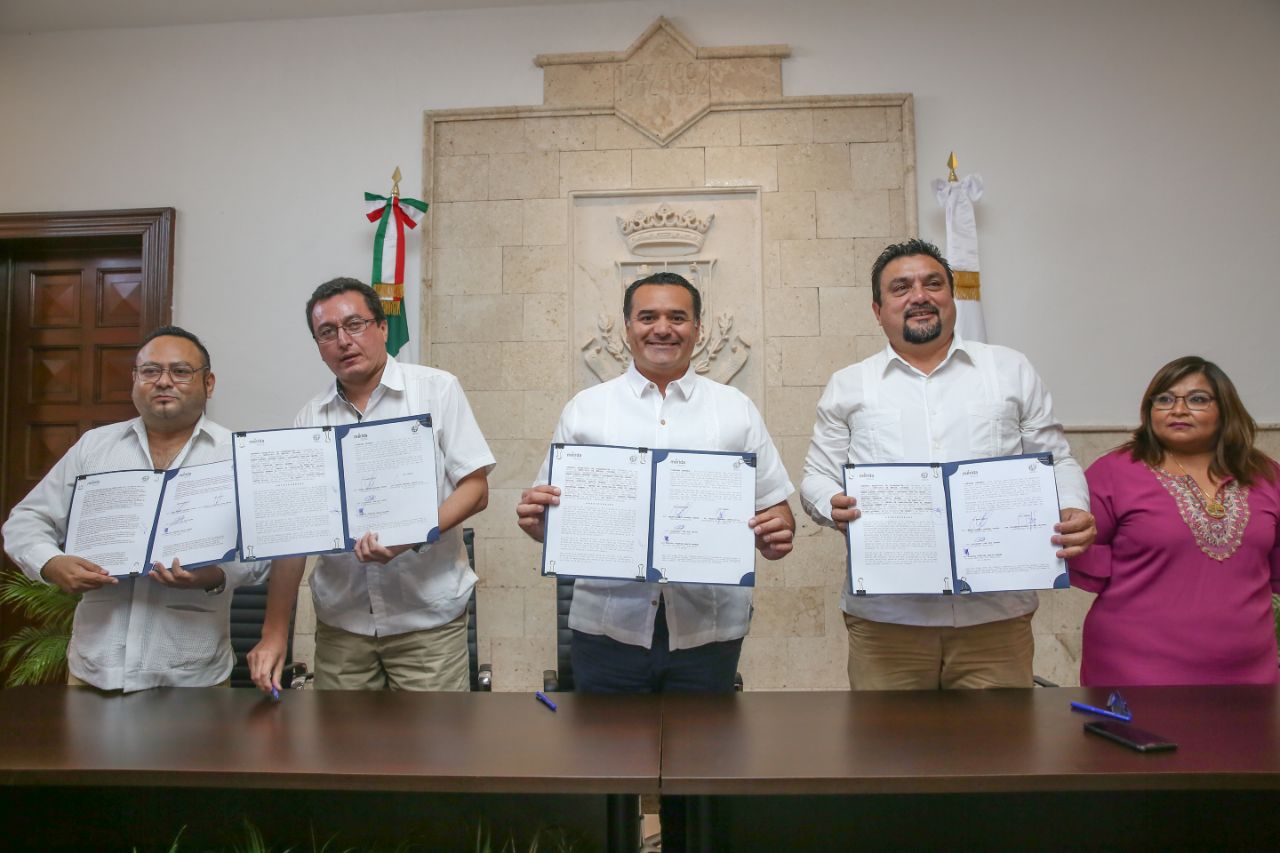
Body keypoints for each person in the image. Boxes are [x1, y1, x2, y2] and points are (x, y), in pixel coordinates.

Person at [517, 272, 794, 850]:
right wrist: (539, 521)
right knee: (606, 781)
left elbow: (776, 509)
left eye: (676, 317)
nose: (662, 329)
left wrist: (776, 531)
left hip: (708, 632)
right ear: (627, 328)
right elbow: (550, 516)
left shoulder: (735, 411)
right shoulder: (586, 411)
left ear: (698, 328)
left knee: (701, 779)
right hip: (607, 630)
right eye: (647, 317)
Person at [800, 238, 1096, 690]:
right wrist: (831, 504)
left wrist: (1073, 505)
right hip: (888, 621)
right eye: (901, 287)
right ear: (878, 310)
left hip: (995, 617)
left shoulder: (1009, 369)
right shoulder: (849, 385)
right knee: (887, 738)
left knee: (999, 737)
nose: (919, 296)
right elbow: (816, 478)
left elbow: (1056, 460)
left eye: (933, 284)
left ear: (951, 297)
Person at [248, 278, 494, 694]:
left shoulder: (436, 390)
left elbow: (476, 489)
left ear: (381, 327)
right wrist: (274, 632)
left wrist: (409, 535)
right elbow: (293, 535)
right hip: (343, 625)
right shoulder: (310, 419)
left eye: (354, 325)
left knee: (432, 737)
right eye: (327, 332)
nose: (343, 341)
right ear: (318, 346)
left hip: (426, 622)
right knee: (344, 737)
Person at [2, 326, 265, 691]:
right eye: (150, 371)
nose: (163, 381)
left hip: (194, 675)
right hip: (94, 670)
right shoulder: (94, 448)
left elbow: (265, 554)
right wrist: (50, 562)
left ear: (209, 383)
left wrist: (216, 575)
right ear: (135, 380)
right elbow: (26, 521)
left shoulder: (239, 455)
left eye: (181, 371)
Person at [1069, 356, 1280, 685]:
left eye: (1197, 399)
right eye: (1165, 399)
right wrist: (1128, 564)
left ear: (1226, 409)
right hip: (1135, 667)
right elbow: (1075, 550)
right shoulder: (1114, 473)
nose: (1178, 410)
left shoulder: (1265, 475)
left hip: (1248, 672)